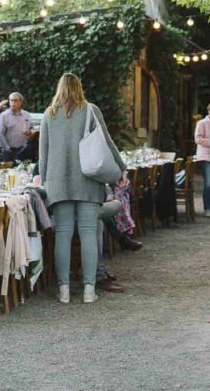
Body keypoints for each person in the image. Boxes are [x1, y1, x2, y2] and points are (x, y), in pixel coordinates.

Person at [39, 73, 125, 305]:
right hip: (87, 181)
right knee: (88, 233)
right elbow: (107, 142)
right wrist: (121, 168)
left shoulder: (49, 114)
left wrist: (46, 182)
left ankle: (64, 290)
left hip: (58, 183)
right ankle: (89, 289)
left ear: (59, 88)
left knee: (63, 235)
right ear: (79, 87)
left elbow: (43, 154)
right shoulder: (90, 110)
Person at [0, 91, 33, 162]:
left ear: (20, 102)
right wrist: (7, 149)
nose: (13, 103)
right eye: (11, 100)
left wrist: (30, 132)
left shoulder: (26, 115)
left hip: (23, 150)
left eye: (15, 100)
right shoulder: (4, 116)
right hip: (9, 151)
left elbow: (31, 129)